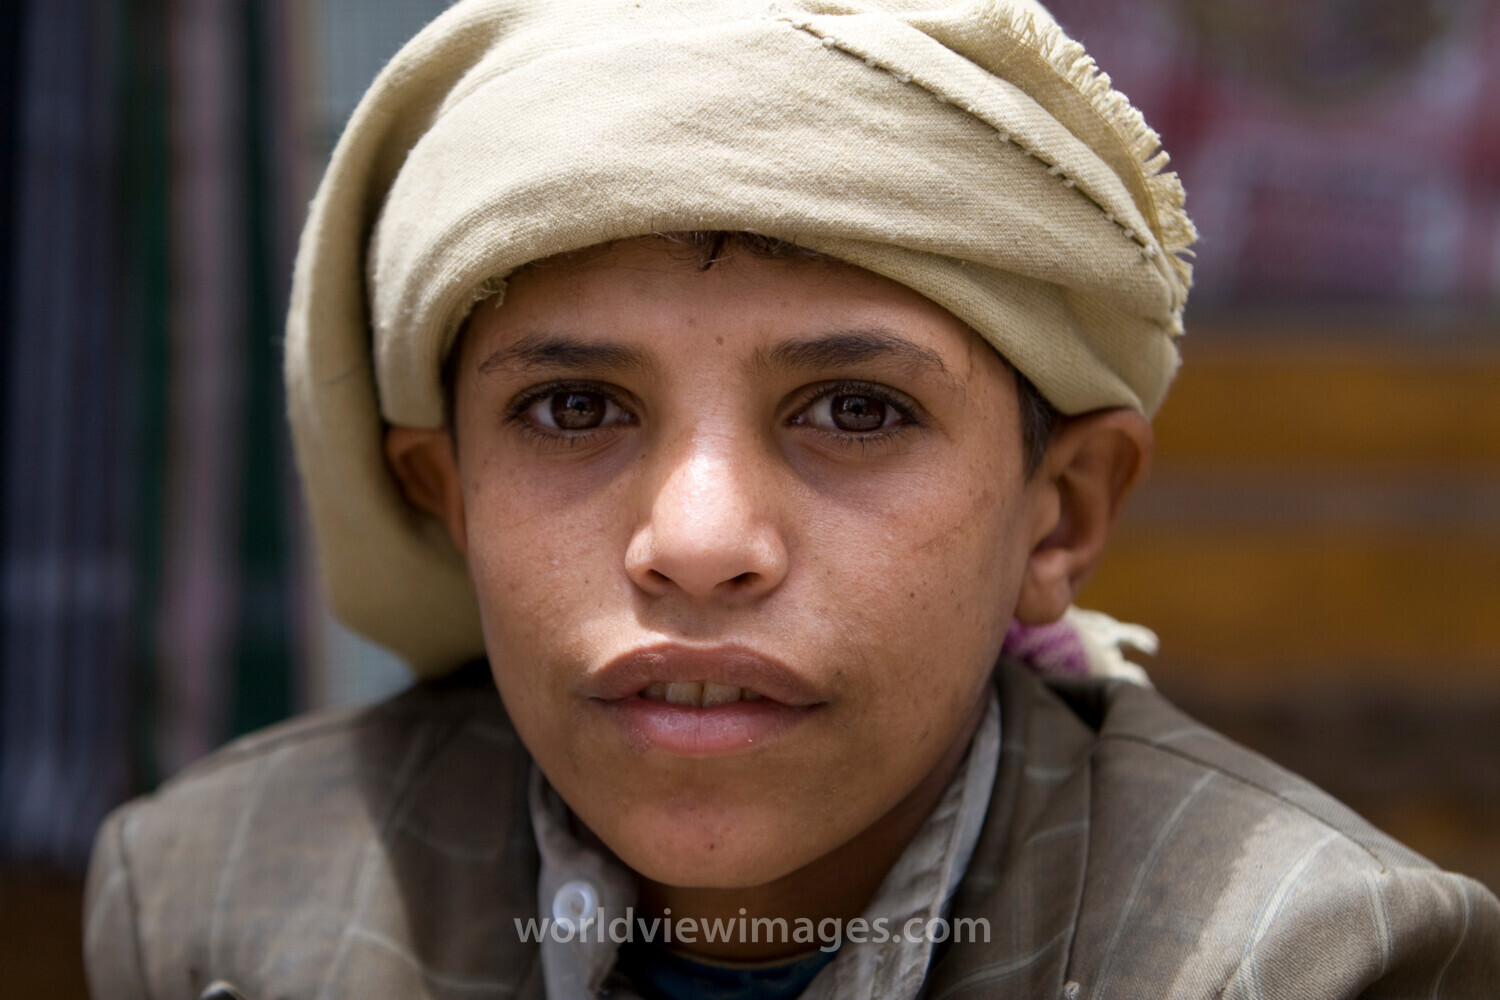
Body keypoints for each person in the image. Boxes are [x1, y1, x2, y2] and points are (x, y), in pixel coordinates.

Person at [84, 1, 1500, 998]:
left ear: (1059, 513)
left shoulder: (1301, 960)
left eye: (856, 411)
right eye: (574, 409)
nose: (699, 545)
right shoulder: (219, 902)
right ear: (447, 498)